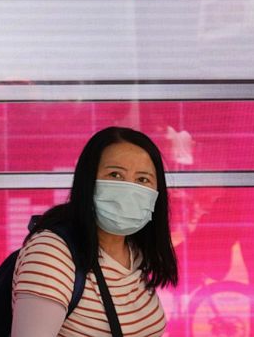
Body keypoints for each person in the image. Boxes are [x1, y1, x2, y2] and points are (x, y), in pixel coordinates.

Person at [11, 127, 178, 336]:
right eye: (115, 175)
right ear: (88, 181)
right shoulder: (52, 253)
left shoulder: (134, 250)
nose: (129, 190)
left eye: (143, 179)